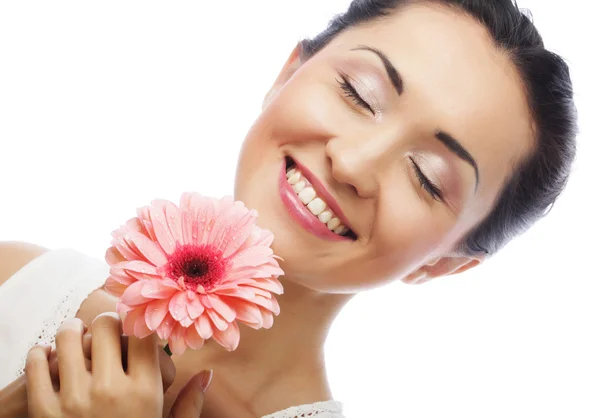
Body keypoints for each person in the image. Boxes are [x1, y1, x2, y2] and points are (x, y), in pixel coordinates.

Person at [0, 0, 577, 416]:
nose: (351, 163)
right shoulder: (18, 280)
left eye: (427, 177)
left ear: (445, 263)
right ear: (286, 75)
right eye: (359, 94)